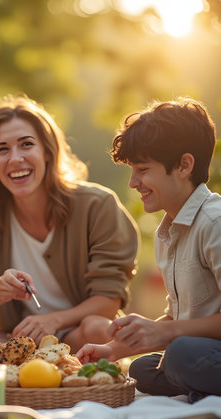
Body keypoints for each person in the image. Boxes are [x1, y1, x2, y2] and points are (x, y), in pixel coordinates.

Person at [0, 94, 139, 371]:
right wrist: (0, 291)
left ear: (47, 151)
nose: (15, 159)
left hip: (80, 336)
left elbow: (108, 301)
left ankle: (57, 367)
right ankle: (44, 369)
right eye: (2, 149)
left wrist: (54, 320)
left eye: (27, 145)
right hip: (22, 343)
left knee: (101, 329)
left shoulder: (98, 205)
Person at [76, 98, 221, 403]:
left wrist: (167, 335)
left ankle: (200, 386)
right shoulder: (167, 232)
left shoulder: (214, 222)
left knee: (179, 354)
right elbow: (178, 316)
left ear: (184, 165)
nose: (133, 182)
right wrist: (113, 351)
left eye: (142, 170)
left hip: (196, 350)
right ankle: (201, 387)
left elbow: (176, 332)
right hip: (203, 350)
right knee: (143, 369)